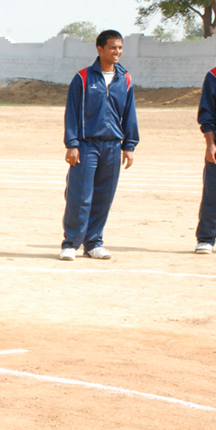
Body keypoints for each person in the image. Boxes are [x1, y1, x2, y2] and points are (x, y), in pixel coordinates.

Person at [59, 29, 139, 261]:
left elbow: (129, 113)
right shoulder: (82, 78)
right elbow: (71, 113)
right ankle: (71, 243)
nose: (117, 52)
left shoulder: (125, 79)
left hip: (113, 146)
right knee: (80, 195)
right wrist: (72, 144)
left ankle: (94, 242)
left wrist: (129, 145)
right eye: (113, 47)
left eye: (120, 48)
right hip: (86, 146)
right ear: (100, 49)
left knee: (104, 196)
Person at [195, 65, 216, 254]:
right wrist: (210, 144)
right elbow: (207, 113)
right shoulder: (215, 75)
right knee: (214, 192)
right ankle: (206, 238)